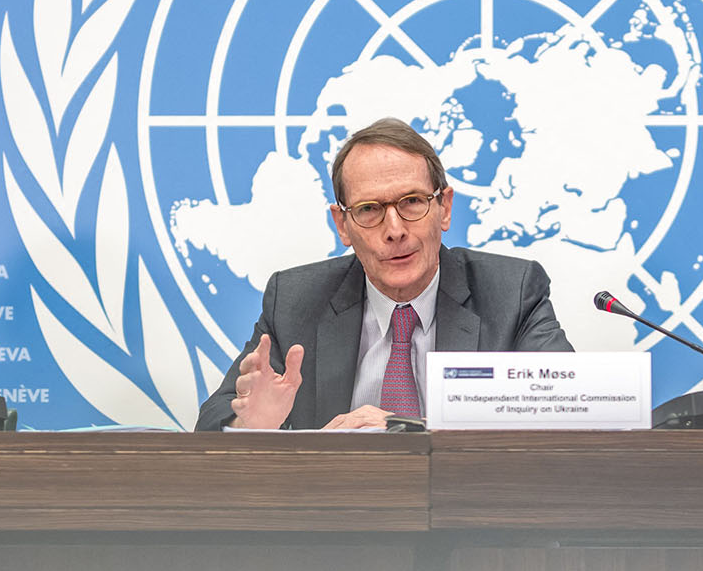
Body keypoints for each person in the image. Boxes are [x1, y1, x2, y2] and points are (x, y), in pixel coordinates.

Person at [196, 118, 572, 430]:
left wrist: (403, 430)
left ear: (444, 208)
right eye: (370, 209)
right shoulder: (295, 300)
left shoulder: (511, 293)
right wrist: (253, 427)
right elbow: (213, 422)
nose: (394, 229)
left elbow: (569, 409)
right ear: (342, 225)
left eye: (412, 202)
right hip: (336, 511)